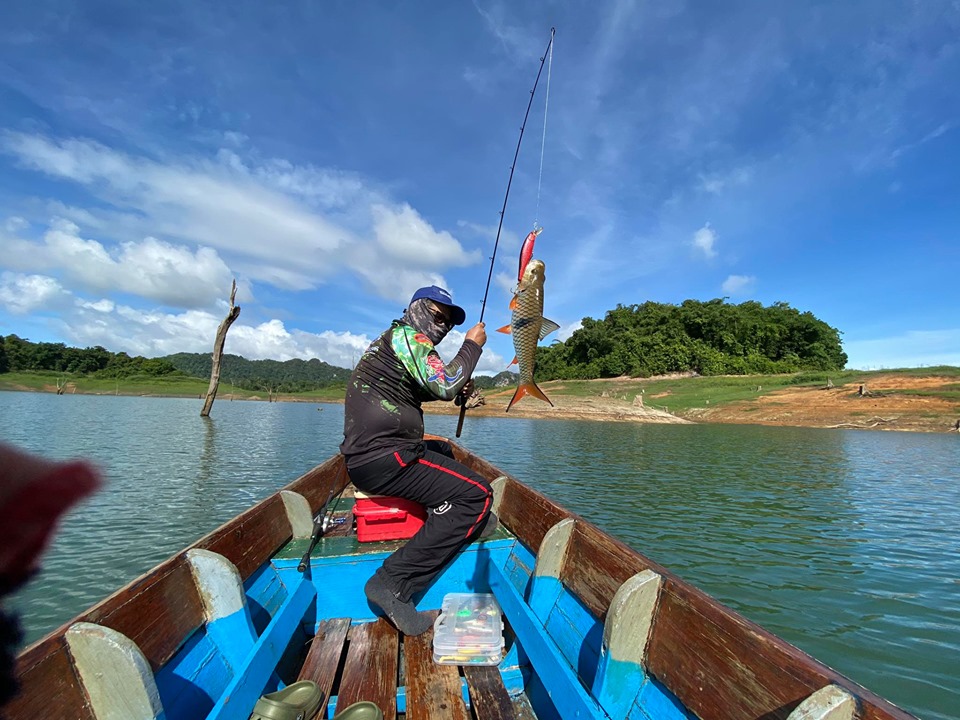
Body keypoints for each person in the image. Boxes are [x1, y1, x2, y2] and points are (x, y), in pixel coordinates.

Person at [340, 286, 494, 636]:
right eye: (437, 316)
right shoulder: (407, 335)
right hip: (386, 458)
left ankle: (456, 520)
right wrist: (472, 346)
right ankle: (391, 582)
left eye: (448, 324)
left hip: (376, 457)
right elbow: (444, 386)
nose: (441, 327)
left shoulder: (398, 345)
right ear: (416, 309)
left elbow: (432, 386)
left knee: (443, 452)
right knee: (479, 495)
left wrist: (461, 382)